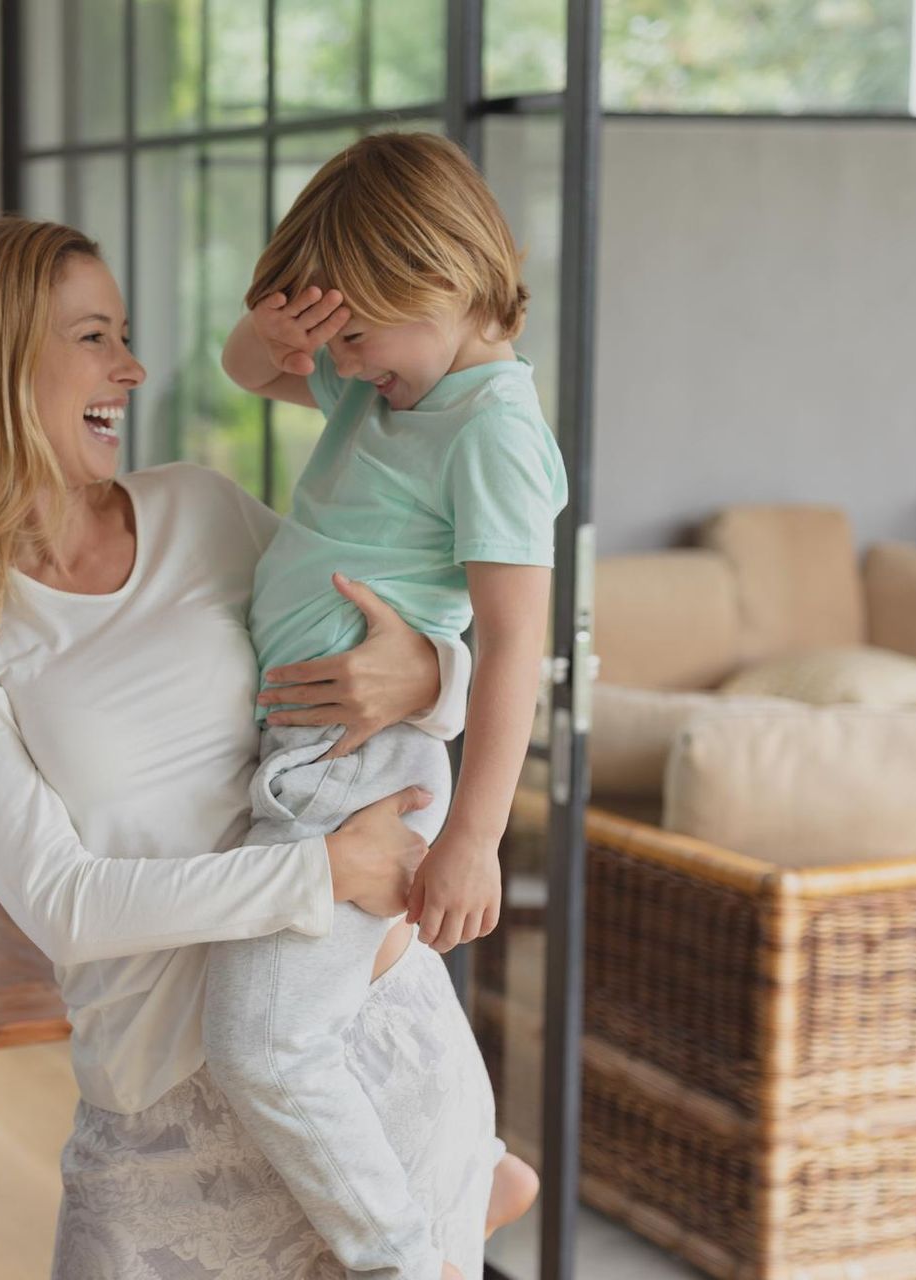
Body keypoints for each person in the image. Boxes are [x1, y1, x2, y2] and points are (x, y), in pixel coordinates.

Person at [0, 216, 472, 1279]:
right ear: (0, 359)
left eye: (126, 334)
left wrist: (437, 674)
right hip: (160, 1101)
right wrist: (323, 870)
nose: (134, 367)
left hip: (369, 1047)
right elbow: (63, 901)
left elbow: (391, 653)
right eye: (95, 336)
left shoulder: (201, 511)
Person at [202, 131, 561, 1278]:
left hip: (368, 758)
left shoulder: (491, 426)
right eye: (334, 341)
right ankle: (485, 1162)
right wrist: (280, 336)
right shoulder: (390, 385)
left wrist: (473, 839)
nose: (341, 367)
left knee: (261, 1041)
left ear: (442, 281)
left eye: (354, 335)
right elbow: (247, 371)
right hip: (314, 749)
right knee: (370, 989)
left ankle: (397, 1253)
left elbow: (514, 646)